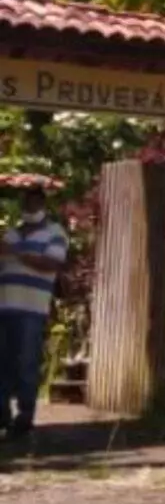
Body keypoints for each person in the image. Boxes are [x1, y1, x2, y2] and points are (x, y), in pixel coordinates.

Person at [0, 184, 69, 439]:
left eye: (35, 203)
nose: (30, 208)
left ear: (43, 205)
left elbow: (52, 263)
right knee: (3, 364)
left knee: (27, 363)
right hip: (5, 305)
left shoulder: (54, 233)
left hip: (31, 308)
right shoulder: (11, 234)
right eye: (26, 203)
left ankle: (25, 418)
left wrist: (18, 254)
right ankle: (2, 415)